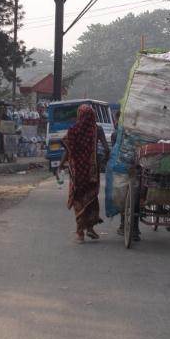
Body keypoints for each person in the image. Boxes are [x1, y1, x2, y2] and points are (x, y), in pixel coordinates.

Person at [62, 104, 104, 243]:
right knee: (91, 199)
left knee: (78, 199)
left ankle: (80, 233)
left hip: (77, 172)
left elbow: (68, 149)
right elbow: (107, 149)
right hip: (91, 172)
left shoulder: (73, 130)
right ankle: (90, 228)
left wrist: (62, 164)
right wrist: (102, 161)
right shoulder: (97, 130)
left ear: (79, 115)